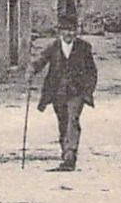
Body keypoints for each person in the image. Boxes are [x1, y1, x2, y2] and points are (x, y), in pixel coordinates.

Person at [31, 30, 99, 171]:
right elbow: (41, 60)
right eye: (66, 30)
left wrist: (88, 89)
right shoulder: (53, 46)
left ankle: (70, 155)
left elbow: (92, 70)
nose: (69, 33)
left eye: (72, 30)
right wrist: (31, 70)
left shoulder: (84, 47)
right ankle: (65, 152)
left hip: (77, 92)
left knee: (73, 119)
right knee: (62, 121)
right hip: (58, 92)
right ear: (60, 32)